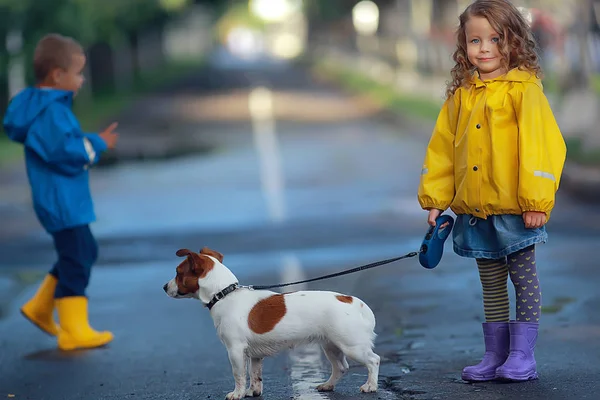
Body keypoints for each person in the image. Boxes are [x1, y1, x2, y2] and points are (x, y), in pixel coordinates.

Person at [417, 0, 566, 382]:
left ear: (513, 42)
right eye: (474, 40)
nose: (484, 48)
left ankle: (522, 355)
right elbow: (443, 149)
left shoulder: (524, 91)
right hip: (475, 210)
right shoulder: (461, 94)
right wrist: (436, 199)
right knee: (491, 282)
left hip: (516, 208)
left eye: (495, 39)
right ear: (463, 46)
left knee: (523, 277)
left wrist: (536, 201)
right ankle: (495, 354)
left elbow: (542, 147)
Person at [3, 33, 119, 351]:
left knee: (79, 253)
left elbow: (62, 144)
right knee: (79, 256)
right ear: (57, 75)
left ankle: (41, 307)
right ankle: (73, 330)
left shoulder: (47, 107)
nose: (82, 80)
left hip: (61, 199)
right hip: (62, 201)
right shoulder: (51, 111)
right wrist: (97, 143)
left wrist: (91, 140)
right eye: (78, 73)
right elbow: (64, 152)